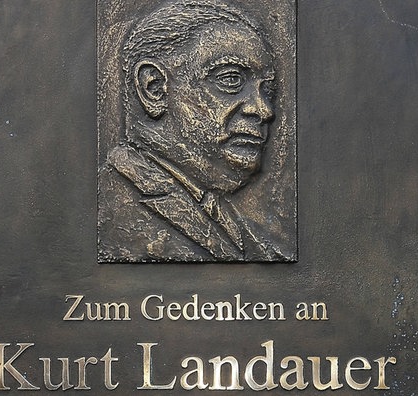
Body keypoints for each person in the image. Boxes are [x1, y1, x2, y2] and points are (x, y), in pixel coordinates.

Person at [98, 0, 290, 262]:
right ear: (154, 89)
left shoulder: (255, 242)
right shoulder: (112, 209)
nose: (264, 110)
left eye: (267, 91)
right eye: (231, 80)